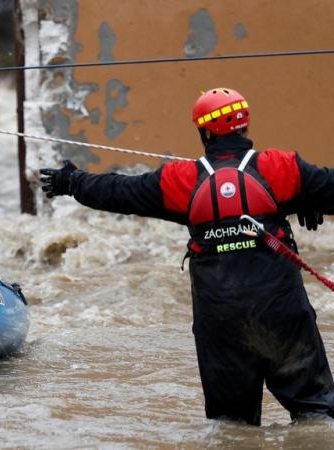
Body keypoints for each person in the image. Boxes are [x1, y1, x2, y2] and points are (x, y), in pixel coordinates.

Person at [40, 87, 334, 426]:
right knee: (317, 415)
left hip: (221, 323)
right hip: (283, 315)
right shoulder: (282, 167)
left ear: (206, 131)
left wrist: (71, 181)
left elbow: (118, 191)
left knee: (231, 427)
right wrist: (307, 201)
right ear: (244, 126)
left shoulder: (178, 180)